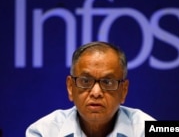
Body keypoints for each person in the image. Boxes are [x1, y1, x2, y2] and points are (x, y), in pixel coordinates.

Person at [26, 41, 155, 137]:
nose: (96, 93)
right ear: (70, 87)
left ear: (124, 91)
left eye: (107, 82)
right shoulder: (43, 131)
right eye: (86, 81)